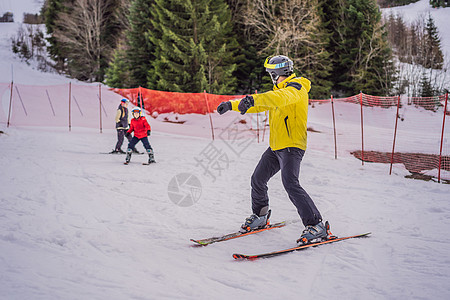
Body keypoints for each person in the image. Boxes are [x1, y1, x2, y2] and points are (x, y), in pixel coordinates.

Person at [217, 55, 327, 245]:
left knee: (290, 183)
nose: (270, 77)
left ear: (276, 73)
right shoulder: (278, 92)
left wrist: (252, 99)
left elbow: (277, 98)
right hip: (276, 146)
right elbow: (263, 103)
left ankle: (316, 225)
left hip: (292, 145)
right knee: (258, 179)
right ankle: (260, 215)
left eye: (271, 74)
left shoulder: (296, 88)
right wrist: (232, 105)